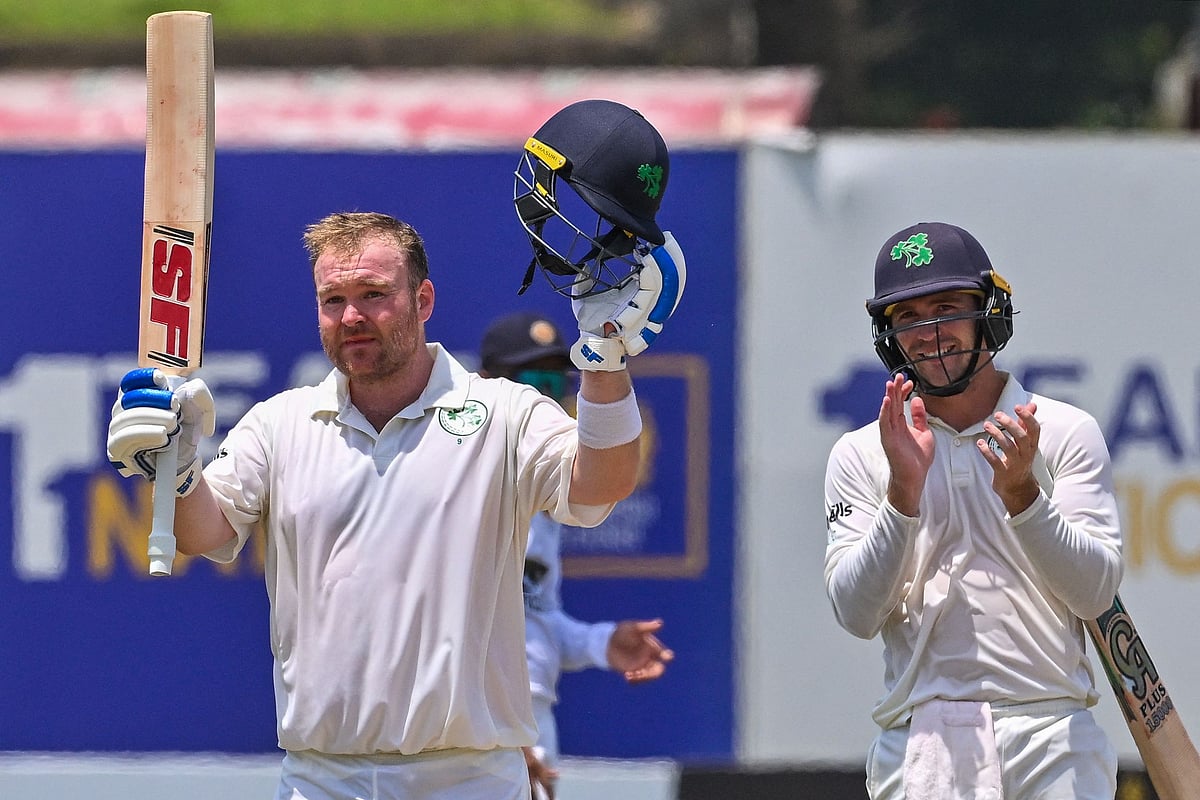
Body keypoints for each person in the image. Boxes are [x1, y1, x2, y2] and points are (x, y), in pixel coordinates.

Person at [106, 99, 683, 800]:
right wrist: (170, 462)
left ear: (424, 299)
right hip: (322, 779)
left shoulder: (501, 416)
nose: (352, 317)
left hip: (470, 778)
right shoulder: (281, 424)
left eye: (375, 294)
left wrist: (604, 361)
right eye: (333, 299)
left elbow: (602, 484)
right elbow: (202, 532)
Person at [823, 222, 1123, 799]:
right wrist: (902, 497)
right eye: (907, 317)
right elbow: (857, 615)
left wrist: (1023, 497)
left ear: (991, 312)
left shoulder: (1060, 431)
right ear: (889, 335)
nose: (929, 333)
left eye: (946, 307)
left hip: (1052, 734)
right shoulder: (863, 453)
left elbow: (1095, 593)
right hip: (919, 741)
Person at [478, 311, 674, 800]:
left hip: (527, 732)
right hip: (478, 740)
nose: (542, 400)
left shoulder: (541, 492)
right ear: (483, 388)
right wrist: (496, 738)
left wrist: (598, 642)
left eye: (553, 384)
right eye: (529, 382)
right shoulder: (463, 485)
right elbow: (440, 628)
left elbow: (533, 616)